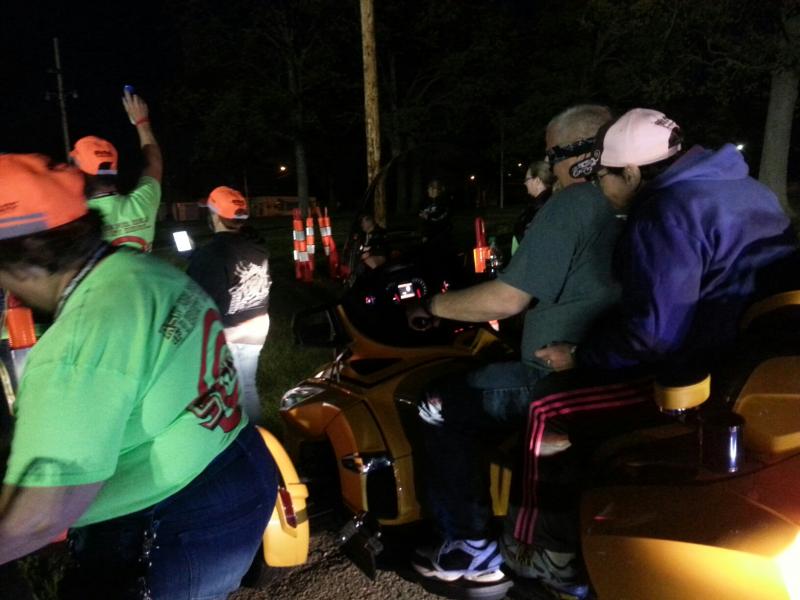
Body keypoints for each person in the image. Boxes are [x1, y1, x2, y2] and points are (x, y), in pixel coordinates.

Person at [520, 108, 798, 589]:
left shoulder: (665, 212)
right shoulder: (747, 188)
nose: (600, 185)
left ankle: (551, 552)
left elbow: (654, 336)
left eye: (604, 175)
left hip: (704, 376)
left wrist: (580, 354)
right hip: (763, 358)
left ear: (631, 172)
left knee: (548, 405)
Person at [0, 154, 277, 599]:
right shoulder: (145, 273)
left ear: (23, 257)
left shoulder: (77, 345)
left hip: (172, 522)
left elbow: (42, 513)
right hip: (241, 470)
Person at [407, 104, 622, 595]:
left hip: (553, 377)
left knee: (437, 404)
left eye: (552, 156)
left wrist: (432, 306)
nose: (549, 168)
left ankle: (469, 545)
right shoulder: (632, 199)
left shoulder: (575, 203)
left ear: (579, 154)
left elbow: (507, 298)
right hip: (609, 366)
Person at [186, 186, 272, 423]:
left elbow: (198, 294)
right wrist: (198, 257)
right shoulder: (257, 244)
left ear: (215, 216)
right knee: (247, 384)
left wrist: (197, 260)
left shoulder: (212, 253)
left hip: (230, 328)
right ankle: (256, 430)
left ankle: (237, 432)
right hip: (257, 324)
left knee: (228, 391)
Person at [69, 89, 163, 252]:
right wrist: (142, 122)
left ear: (80, 173)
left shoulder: (76, 219)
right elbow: (154, 163)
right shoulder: (142, 203)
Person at [512, 160, 555, 255]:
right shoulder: (548, 202)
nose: (525, 183)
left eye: (527, 179)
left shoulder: (541, 208)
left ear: (537, 180)